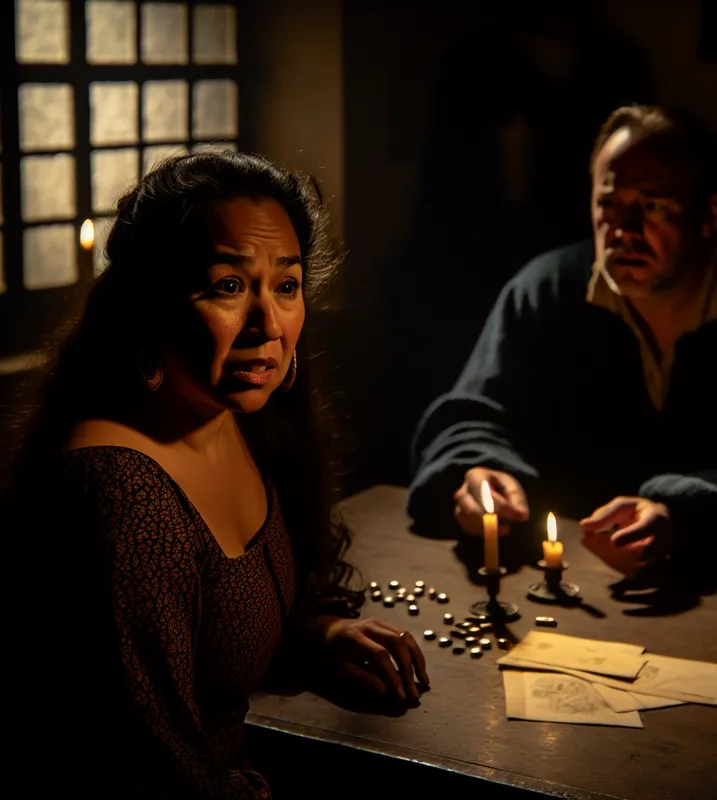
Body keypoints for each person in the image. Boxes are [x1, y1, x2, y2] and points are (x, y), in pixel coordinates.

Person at [4, 152, 429, 797]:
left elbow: (213, 638)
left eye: (286, 287)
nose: (268, 325)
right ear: (152, 302)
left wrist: (316, 636)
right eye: (228, 287)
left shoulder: (236, 419)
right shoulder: (123, 491)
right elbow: (155, 768)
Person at [407, 104, 717, 578]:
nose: (623, 231)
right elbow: (472, 416)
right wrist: (478, 471)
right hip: (559, 584)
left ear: (708, 216)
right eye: (609, 204)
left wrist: (688, 516)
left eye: (651, 207)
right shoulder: (545, 291)